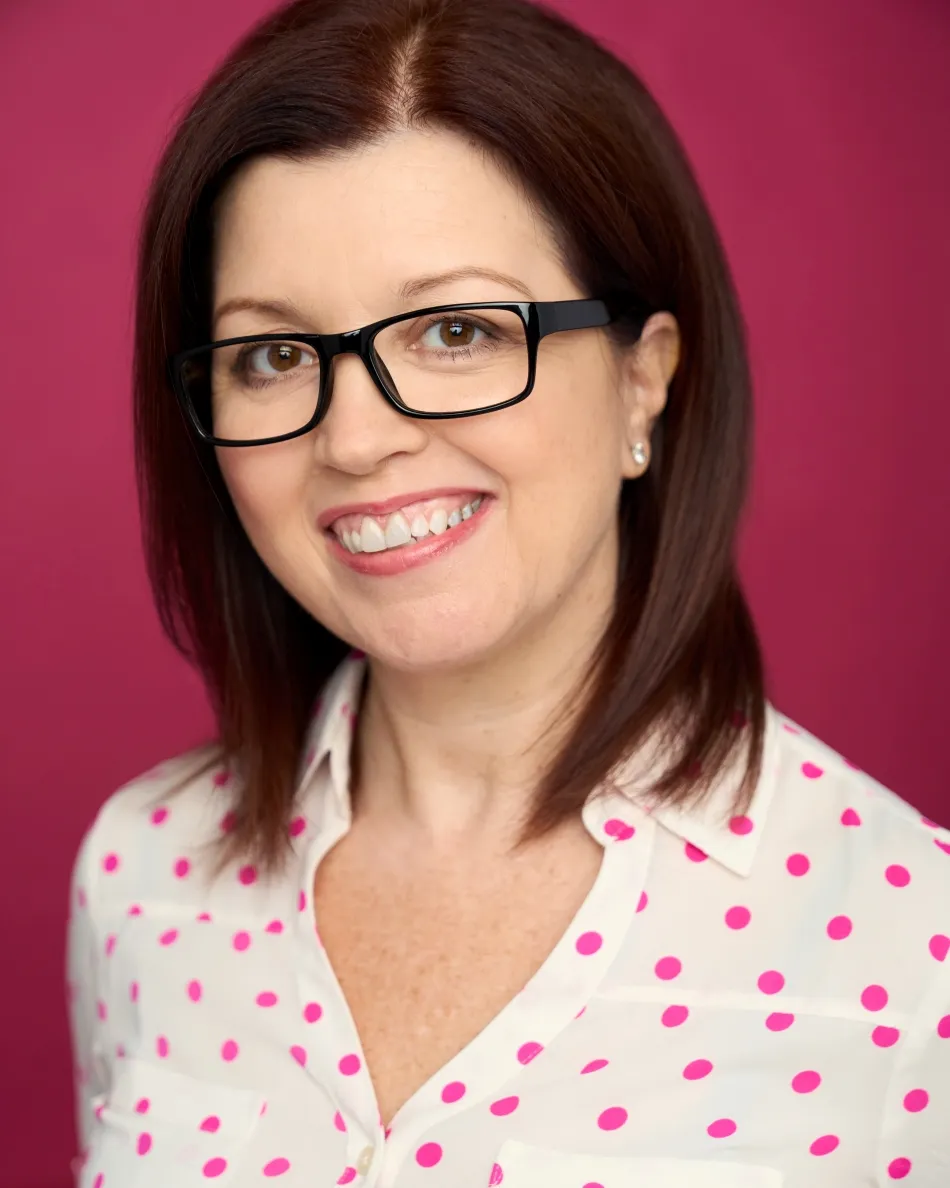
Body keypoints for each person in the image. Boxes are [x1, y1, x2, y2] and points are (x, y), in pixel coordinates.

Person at [65, 0, 950, 1184]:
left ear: (643, 380)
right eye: (273, 357)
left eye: (457, 331)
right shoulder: (140, 874)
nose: (358, 439)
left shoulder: (912, 946)